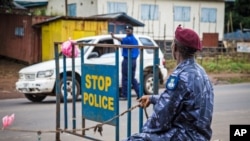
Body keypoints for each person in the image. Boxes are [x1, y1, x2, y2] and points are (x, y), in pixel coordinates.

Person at [124, 25, 214, 140]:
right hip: (200, 136)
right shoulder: (200, 71)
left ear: (175, 47)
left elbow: (161, 121)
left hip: (185, 136)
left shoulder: (180, 76)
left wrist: (144, 133)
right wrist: (152, 98)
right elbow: (181, 99)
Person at [111, 25, 140, 100]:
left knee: (125, 78)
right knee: (132, 78)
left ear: (132, 31)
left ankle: (125, 95)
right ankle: (139, 93)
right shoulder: (135, 39)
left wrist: (114, 37)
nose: (127, 31)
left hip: (128, 60)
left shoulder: (129, 39)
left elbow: (121, 40)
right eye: (126, 30)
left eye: (128, 30)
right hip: (133, 60)